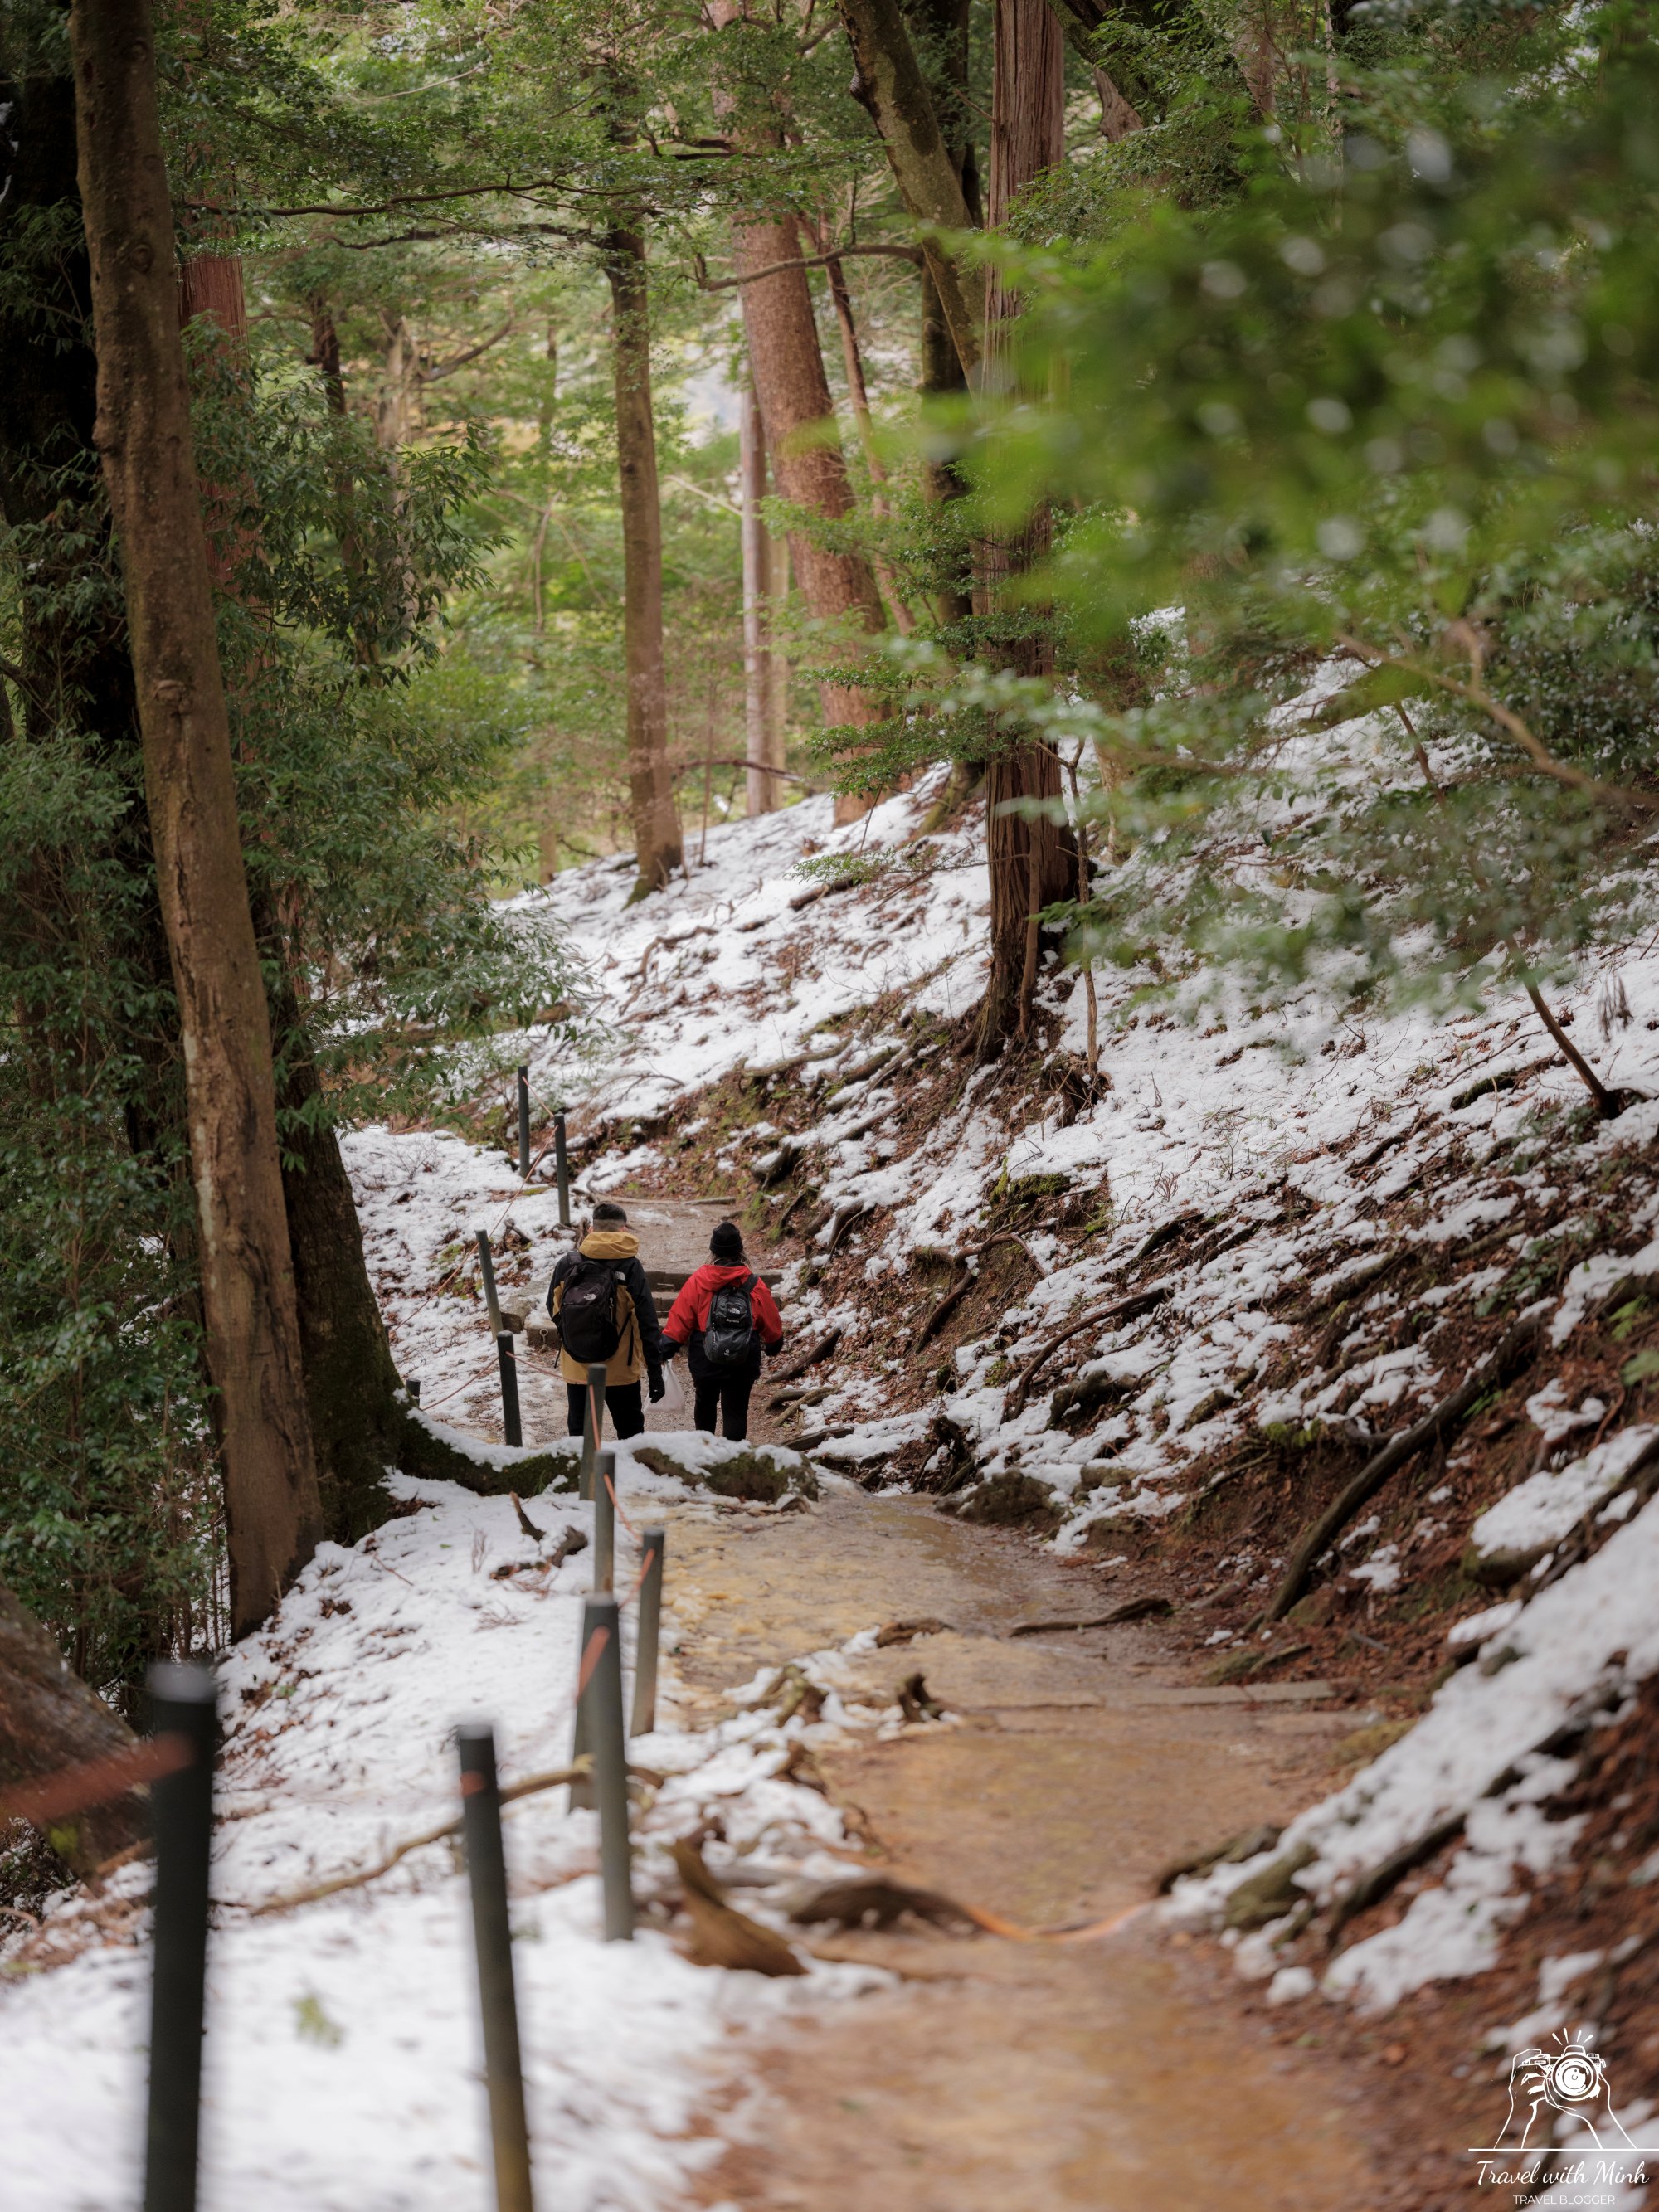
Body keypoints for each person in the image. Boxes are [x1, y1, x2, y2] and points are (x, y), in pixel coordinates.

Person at [546, 1202, 664, 1441]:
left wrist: (575, 1338)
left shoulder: (568, 1264)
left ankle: (584, 1477)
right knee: (631, 1432)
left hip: (578, 1366)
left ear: (591, 1229)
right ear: (624, 1230)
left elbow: (553, 1307)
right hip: (621, 1368)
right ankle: (631, 1477)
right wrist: (654, 1370)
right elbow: (647, 1322)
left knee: (580, 1435)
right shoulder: (630, 1267)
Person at [660, 1220, 783, 1441]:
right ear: (740, 1251)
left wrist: (668, 1343)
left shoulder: (699, 1280)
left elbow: (681, 1316)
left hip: (705, 1354)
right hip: (743, 1356)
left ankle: (705, 1455)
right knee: (736, 1410)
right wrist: (774, 1342)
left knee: (705, 1402)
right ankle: (733, 1459)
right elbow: (770, 1318)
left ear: (712, 1250)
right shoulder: (753, 1283)